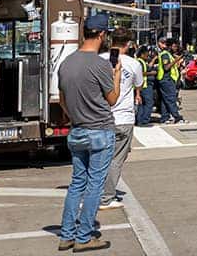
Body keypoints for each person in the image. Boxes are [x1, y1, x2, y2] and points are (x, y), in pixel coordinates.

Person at [56, 13, 120, 252]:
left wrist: (75, 115)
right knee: (95, 185)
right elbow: (112, 99)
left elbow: (62, 101)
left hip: (77, 131)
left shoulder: (66, 63)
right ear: (102, 35)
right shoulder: (101, 65)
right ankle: (84, 237)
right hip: (100, 130)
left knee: (77, 184)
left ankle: (67, 235)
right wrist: (115, 76)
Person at [99, 28, 142, 211]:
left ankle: (96, 193)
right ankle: (106, 197)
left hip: (101, 116)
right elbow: (138, 84)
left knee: (99, 158)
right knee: (115, 159)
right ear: (129, 44)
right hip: (123, 117)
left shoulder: (100, 60)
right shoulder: (134, 64)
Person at [154, 39, 184, 124]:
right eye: (174, 46)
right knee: (171, 99)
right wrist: (176, 60)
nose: (176, 48)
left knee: (165, 100)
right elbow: (166, 67)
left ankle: (165, 117)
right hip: (166, 79)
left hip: (168, 79)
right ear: (169, 46)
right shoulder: (165, 55)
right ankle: (177, 117)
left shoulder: (168, 54)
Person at [135, 46, 155, 127]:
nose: (148, 56)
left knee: (141, 104)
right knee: (149, 103)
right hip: (144, 86)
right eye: (146, 54)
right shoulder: (140, 62)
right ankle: (144, 120)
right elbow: (141, 73)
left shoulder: (141, 61)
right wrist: (151, 73)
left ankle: (140, 120)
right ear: (142, 54)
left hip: (142, 86)